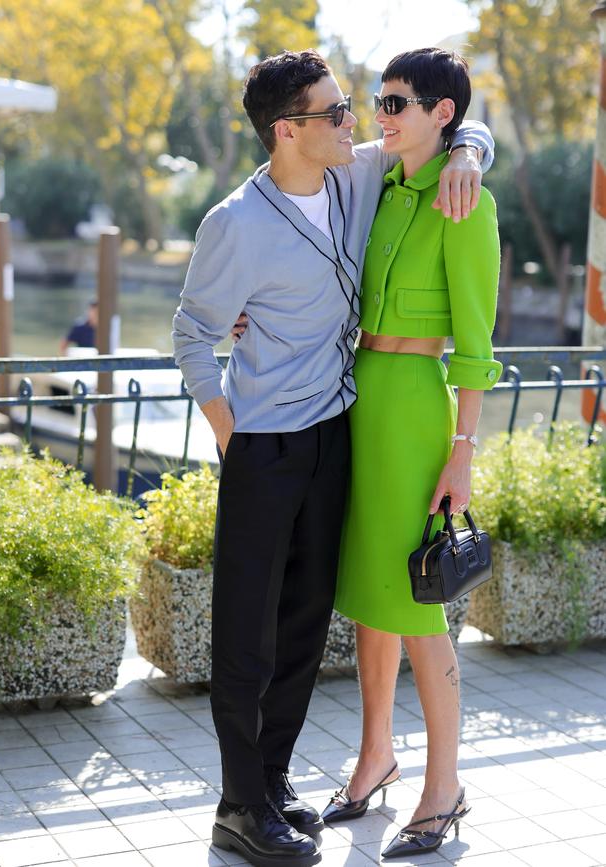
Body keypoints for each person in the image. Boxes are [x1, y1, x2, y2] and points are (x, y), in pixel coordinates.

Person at [172, 48, 493, 867]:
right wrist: (226, 428)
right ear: (289, 130)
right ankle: (239, 806)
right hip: (265, 444)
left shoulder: (357, 178)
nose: (358, 121)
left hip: (341, 431)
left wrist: (472, 147)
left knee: (307, 621)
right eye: (339, 111)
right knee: (247, 631)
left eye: (360, 106)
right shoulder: (234, 221)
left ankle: (271, 784)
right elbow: (192, 333)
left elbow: (451, 123)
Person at [321, 48, 502, 859]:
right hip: (362, 398)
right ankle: (374, 757)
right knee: (368, 595)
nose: (380, 115)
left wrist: (462, 451)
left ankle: (445, 784)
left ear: (442, 114)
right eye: (378, 100)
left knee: (419, 600)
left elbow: (476, 346)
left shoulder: (468, 200)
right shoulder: (379, 183)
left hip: (419, 413)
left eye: (397, 103)